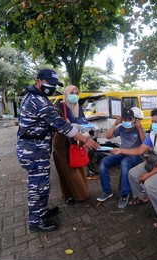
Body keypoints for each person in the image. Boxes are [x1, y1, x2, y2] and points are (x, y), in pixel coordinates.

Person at [16, 69, 100, 232]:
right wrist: (86, 140)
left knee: (42, 184)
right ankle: (36, 221)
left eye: (55, 85)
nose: (53, 87)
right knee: (37, 186)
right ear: (38, 81)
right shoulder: (38, 101)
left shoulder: (36, 96)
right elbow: (61, 125)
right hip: (33, 151)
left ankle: (41, 212)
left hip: (36, 149)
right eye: (50, 84)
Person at [112, 108, 157, 229]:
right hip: (156, 161)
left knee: (150, 184)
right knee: (132, 173)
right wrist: (121, 150)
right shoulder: (153, 134)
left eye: (156, 121)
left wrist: (148, 176)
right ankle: (142, 197)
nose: (153, 124)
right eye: (152, 121)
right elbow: (140, 150)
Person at [97, 107, 147, 209]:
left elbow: (145, 143)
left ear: (134, 120)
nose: (127, 122)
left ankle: (125, 194)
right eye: (125, 119)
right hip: (123, 153)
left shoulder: (138, 129)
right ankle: (107, 191)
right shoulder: (121, 128)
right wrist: (115, 124)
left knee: (125, 163)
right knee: (104, 162)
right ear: (122, 120)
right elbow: (108, 136)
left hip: (136, 156)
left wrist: (140, 128)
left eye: (130, 119)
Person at [52, 85, 91, 206]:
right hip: (62, 145)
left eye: (76, 93)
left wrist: (87, 131)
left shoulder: (78, 108)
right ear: (66, 94)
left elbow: (83, 122)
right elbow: (56, 126)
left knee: (79, 166)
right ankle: (69, 195)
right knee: (67, 171)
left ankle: (81, 193)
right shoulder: (59, 107)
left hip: (77, 142)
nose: (74, 95)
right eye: (71, 93)